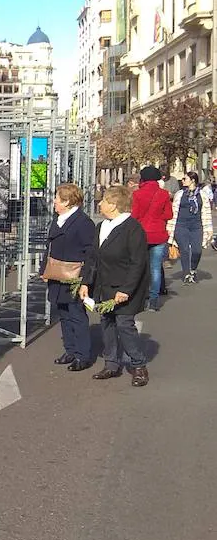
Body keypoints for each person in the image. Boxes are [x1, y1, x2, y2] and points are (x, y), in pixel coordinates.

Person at [79, 185, 151, 388]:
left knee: (124, 324)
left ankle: (138, 365)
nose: (99, 203)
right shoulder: (101, 226)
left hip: (126, 286)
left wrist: (126, 290)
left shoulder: (133, 228)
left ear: (113, 204)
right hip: (104, 285)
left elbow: (138, 262)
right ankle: (111, 364)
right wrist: (86, 282)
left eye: (102, 200)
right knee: (107, 322)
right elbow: (92, 257)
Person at [45, 183, 96, 371]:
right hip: (56, 274)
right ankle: (70, 350)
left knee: (76, 315)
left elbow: (90, 253)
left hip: (73, 275)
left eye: (57, 199)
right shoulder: (57, 219)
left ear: (67, 202)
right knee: (63, 314)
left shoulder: (83, 223)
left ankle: (83, 355)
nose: (54, 203)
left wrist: (85, 280)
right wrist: (45, 269)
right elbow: (49, 246)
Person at [131, 165, 174, 310]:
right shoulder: (163, 194)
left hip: (141, 234)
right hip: (158, 234)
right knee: (155, 267)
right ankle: (154, 300)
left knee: (140, 267)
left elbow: (134, 215)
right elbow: (169, 215)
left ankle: (141, 297)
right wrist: (158, 218)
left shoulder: (137, 194)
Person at [167, 170, 213, 284]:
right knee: (185, 250)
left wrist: (209, 229)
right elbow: (174, 211)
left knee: (197, 251)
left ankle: (193, 269)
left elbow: (206, 212)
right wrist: (170, 227)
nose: (182, 181)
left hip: (196, 226)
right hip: (181, 225)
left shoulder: (202, 195)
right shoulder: (179, 194)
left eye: (185, 179)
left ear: (192, 180)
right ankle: (186, 273)